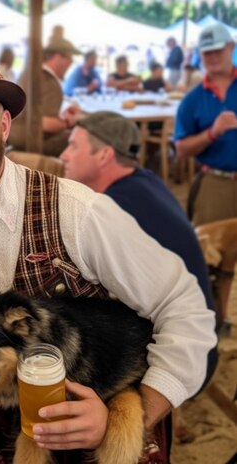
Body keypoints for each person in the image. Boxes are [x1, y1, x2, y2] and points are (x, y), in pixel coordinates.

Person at [0, 40, 216, 463]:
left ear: (5, 125)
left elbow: (186, 308)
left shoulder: (77, 211)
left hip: (102, 404)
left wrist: (134, 411)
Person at [59, 111, 218, 341]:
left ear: (104, 155)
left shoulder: (117, 208)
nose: (63, 155)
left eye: (73, 146)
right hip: (198, 330)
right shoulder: (144, 181)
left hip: (183, 348)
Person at [174, 23, 237, 225]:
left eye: (217, 50)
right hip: (218, 183)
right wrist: (212, 133)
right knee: (213, 250)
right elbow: (181, 149)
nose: (212, 56)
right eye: (207, 52)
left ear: (231, 47)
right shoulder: (191, 100)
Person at [9, 37, 82, 156]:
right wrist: (70, 122)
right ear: (58, 57)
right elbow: (44, 123)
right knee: (80, 138)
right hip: (30, 142)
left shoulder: (29, 72)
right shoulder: (48, 81)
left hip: (14, 136)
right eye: (70, 58)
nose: (71, 63)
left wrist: (61, 117)